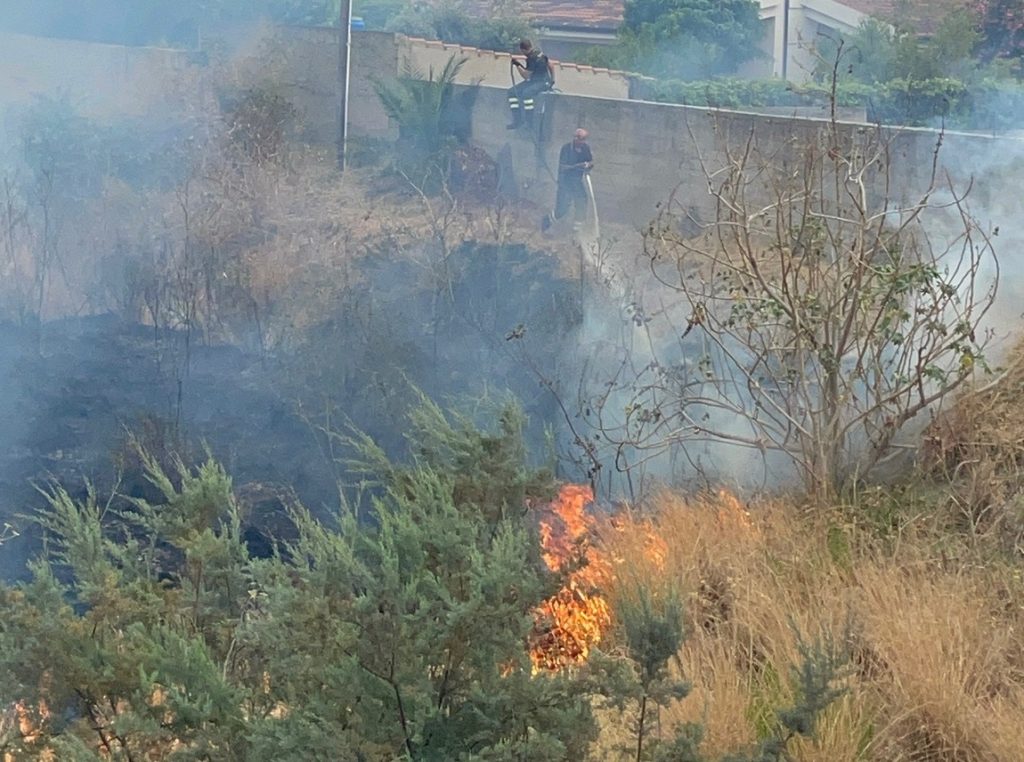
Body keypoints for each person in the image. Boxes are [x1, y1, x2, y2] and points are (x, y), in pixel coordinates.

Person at [543, 128, 593, 231]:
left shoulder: (585, 148)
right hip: (565, 182)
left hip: (577, 181)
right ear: (575, 138)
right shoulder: (566, 149)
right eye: (580, 139)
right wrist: (579, 165)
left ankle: (576, 229)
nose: (581, 141)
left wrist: (588, 166)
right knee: (562, 208)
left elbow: (590, 161)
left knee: (582, 201)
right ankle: (546, 222)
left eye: (584, 139)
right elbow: (563, 167)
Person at [507, 39, 554, 129]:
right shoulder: (539, 52)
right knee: (512, 92)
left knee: (526, 94)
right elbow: (551, 65)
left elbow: (526, 76)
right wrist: (553, 80)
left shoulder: (531, 58)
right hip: (538, 81)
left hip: (541, 82)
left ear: (523, 50)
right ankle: (517, 120)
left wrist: (517, 65)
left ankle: (529, 122)